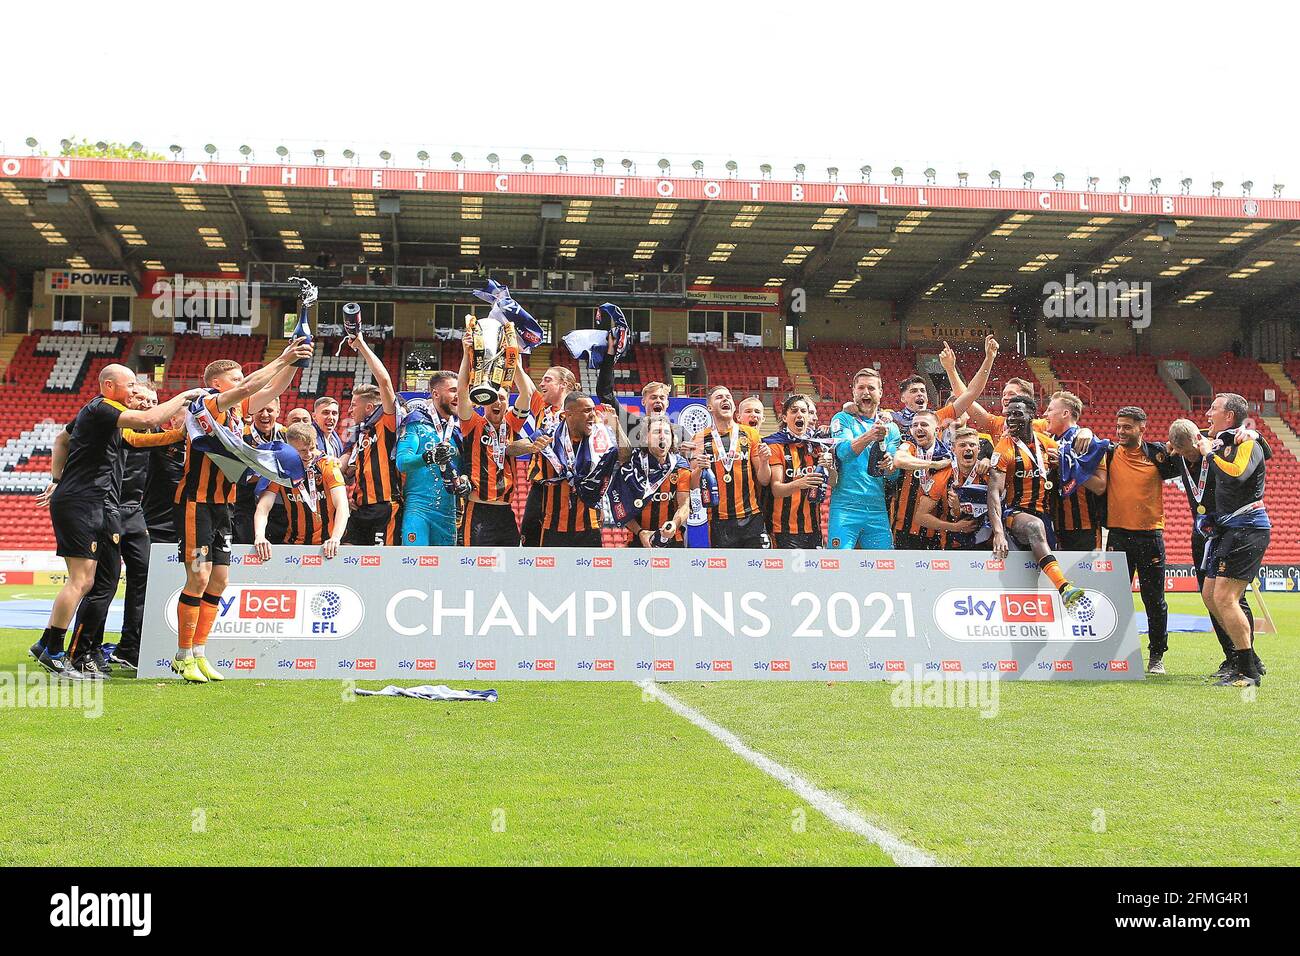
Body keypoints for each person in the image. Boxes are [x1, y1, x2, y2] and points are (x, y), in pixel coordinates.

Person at [32, 365, 201, 678]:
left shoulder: (106, 418)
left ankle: (48, 644)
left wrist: (180, 434)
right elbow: (149, 420)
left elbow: (137, 440)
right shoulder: (104, 407)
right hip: (84, 503)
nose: (135, 390)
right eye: (131, 384)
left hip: (93, 504)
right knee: (82, 581)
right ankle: (55, 650)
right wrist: (186, 396)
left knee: (96, 581)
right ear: (109, 386)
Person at [170, 339, 312, 683]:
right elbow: (253, 384)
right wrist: (283, 356)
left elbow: (274, 386)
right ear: (218, 383)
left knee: (220, 579)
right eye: (235, 378)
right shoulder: (208, 404)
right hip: (196, 502)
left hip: (223, 505)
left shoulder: (237, 411)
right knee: (199, 576)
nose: (242, 381)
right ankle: (182, 655)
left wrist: (297, 360)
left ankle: (201, 653)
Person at [1167, 417, 1267, 681]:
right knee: (1210, 596)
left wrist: (1255, 435)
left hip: (1230, 528)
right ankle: (1236, 657)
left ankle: (1247, 660)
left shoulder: (1215, 447)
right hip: (1202, 532)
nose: (1188, 457)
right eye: (1182, 453)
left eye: (1190, 451)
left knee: (1230, 598)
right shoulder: (1177, 453)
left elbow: (1254, 452)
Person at [1094, 405, 1181, 674]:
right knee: (1115, 598)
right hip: (1117, 536)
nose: (1121, 431)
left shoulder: (1157, 454)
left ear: (1142, 428)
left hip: (1149, 536)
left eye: (1127, 427)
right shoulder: (1108, 453)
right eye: (1118, 426)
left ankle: (1157, 656)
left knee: (1154, 599)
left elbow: (1187, 462)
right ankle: (1114, 653)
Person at [1195, 394, 1271, 688]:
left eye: (1213, 408)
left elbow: (1238, 475)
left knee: (1226, 598)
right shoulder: (1221, 441)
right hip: (1227, 528)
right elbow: (1188, 433)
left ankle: (1248, 672)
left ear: (1229, 416)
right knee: (1210, 594)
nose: (1207, 414)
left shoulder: (1247, 442)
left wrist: (1209, 455)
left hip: (1247, 526)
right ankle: (1244, 661)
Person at [987, 395, 1085, 607]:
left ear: (1032, 415)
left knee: (1042, 548)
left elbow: (1075, 463)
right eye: (1008, 415)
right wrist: (998, 533)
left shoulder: (1047, 444)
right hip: (1015, 514)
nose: (1010, 419)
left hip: (1047, 515)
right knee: (1034, 527)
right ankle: (1064, 588)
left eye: (1017, 414)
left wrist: (1062, 463)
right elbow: (994, 492)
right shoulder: (1003, 449)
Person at [455, 335, 536, 545]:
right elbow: (462, 391)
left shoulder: (512, 423)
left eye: (502, 397)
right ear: (483, 401)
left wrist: (513, 359)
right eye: (492, 397)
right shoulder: (472, 423)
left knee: (507, 571)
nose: (497, 401)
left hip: (506, 513)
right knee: (473, 568)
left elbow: (526, 394)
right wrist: (466, 354)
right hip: (479, 509)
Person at [827, 368, 901, 550]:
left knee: (884, 568)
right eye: (861, 388)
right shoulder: (842, 419)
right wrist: (871, 435)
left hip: (876, 509)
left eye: (871, 388)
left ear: (881, 393)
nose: (866, 392)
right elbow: (843, 453)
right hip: (845, 507)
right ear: (853, 391)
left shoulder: (891, 428)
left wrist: (890, 465)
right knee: (837, 565)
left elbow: (892, 475)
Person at [690, 386, 772, 548]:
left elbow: (764, 480)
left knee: (759, 571)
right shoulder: (699, 438)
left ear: (734, 406)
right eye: (719, 397)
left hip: (752, 517)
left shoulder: (750, 434)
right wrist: (699, 468)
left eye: (728, 396)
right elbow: (693, 485)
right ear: (710, 407)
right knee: (726, 573)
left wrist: (764, 462)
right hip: (719, 520)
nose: (725, 399)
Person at [253, 422, 349, 559]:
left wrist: (335, 538)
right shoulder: (281, 469)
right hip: (294, 545)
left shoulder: (328, 465)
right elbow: (263, 507)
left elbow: (342, 505)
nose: (309, 454)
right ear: (290, 449)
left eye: (312, 448)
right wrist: (260, 536)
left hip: (328, 545)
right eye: (303, 451)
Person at [343, 331, 402, 545]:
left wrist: (361, 346)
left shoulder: (385, 423)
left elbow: (385, 382)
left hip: (384, 507)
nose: (349, 410)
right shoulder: (361, 433)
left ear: (369, 407)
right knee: (347, 553)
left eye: (353, 405)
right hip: (361, 507)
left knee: (380, 563)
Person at [537, 392, 618, 547]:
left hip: (590, 525)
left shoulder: (601, 437)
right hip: (554, 525)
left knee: (590, 572)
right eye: (587, 410)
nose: (593, 415)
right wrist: (529, 446)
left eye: (593, 410)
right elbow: (516, 448)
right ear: (569, 414)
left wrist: (617, 426)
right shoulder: (549, 436)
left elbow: (625, 455)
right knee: (548, 571)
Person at [395, 370, 462, 546]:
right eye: (453, 390)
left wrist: (466, 482)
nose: (458, 396)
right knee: (414, 566)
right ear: (435, 393)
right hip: (419, 510)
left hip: (449, 514)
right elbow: (402, 462)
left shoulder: (459, 429)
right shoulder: (416, 422)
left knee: (445, 571)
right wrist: (429, 456)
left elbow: (466, 469)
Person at [764, 395, 834, 549]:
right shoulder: (776, 445)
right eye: (794, 411)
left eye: (803, 411)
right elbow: (776, 490)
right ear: (784, 417)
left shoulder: (816, 446)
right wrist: (801, 483)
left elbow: (833, 482)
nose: (799, 414)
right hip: (783, 527)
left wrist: (829, 467)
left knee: (813, 572)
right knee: (788, 573)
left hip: (813, 526)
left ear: (809, 417)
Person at [515, 366, 575, 546]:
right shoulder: (542, 408)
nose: (541, 383)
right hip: (540, 487)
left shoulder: (581, 411)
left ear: (563, 385)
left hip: (569, 487)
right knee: (530, 542)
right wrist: (512, 346)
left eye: (548, 379)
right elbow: (522, 381)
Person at [1044, 391, 1108, 551]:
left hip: (1085, 528)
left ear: (1065, 413)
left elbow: (1100, 486)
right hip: (1054, 527)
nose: (1045, 414)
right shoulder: (1048, 442)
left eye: (1050, 409)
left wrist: (1066, 465)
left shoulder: (1088, 442)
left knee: (1086, 576)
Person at [617, 415, 691, 547]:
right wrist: (640, 532)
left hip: (673, 539)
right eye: (657, 432)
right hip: (637, 539)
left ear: (673, 439)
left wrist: (674, 523)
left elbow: (684, 505)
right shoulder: (633, 466)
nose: (663, 436)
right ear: (646, 438)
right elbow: (623, 507)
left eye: (667, 432)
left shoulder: (680, 465)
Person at [885, 410, 951, 550]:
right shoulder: (909, 446)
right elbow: (898, 459)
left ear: (936, 429)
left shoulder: (946, 454)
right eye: (915, 425)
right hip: (902, 527)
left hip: (934, 531)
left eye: (924, 424)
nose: (919, 428)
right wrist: (932, 465)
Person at [916, 426, 986, 549]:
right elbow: (920, 517)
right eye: (962, 445)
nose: (968, 448)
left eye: (972, 445)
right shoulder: (943, 476)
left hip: (987, 542)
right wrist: (955, 527)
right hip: (951, 544)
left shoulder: (988, 474)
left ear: (979, 449)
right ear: (953, 449)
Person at [233, 396, 287, 545]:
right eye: (260, 409)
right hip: (246, 505)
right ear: (251, 412)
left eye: (269, 410)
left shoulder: (287, 435)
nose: (264, 414)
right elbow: (234, 473)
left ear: (278, 411)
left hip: (280, 507)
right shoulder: (240, 436)